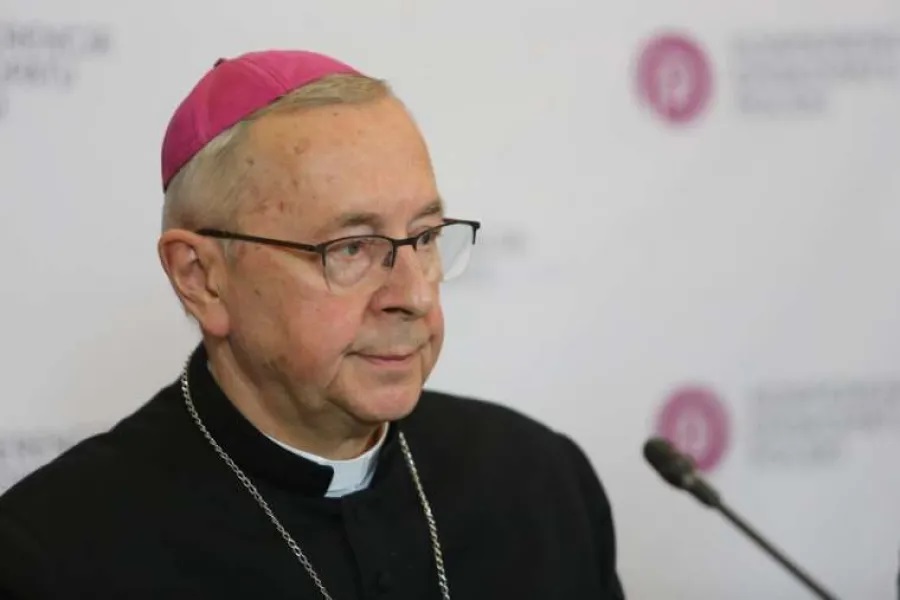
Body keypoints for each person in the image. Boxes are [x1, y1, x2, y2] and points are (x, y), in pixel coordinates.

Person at [0, 49, 625, 599]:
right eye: (350, 248)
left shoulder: (542, 483)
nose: (410, 295)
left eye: (425, 237)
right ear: (201, 277)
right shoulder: (50, 555)